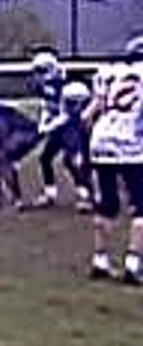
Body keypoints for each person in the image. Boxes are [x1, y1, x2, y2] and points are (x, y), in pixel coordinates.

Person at [82, 37, 143, 285]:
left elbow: (87, 115)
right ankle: (133, 262)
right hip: (132, 145)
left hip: (101, 143)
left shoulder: (108, 73)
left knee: (107, 203)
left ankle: (100, 259)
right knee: (142, 206)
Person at [28, 48, 93, 211]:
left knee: (73, 161)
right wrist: (43, 122)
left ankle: (85, 195)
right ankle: (50, 194)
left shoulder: (67, 86)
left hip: (73, 126)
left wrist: (48, 127)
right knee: (45, 158)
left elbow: (67, 115)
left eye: (40, 70)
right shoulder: (44, 87)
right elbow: (47, 107)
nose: (37, 75)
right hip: (59, 125)